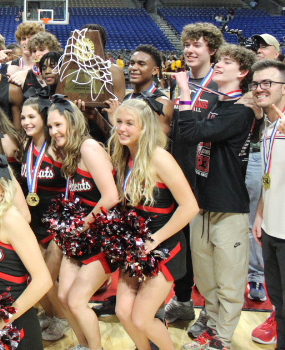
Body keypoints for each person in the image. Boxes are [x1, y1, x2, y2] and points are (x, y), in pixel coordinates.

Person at [175, 44, 256, 350]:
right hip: (203, 203)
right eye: (219, 60)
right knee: (206, 277)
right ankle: (211, 324)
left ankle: (222, 338)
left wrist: (184, 91)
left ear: (243, 72)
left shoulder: (241, 110)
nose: (219, 64)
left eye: (228, 62)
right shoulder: (219, 105)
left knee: (229, 280)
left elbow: (190, 133)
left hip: (228, 207)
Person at [110, 99, 198, 350]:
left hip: (164, 246)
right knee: (123, 312)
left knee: (142, 319)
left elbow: (190, 206)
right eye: (119, 122)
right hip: (136, 247)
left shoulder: (160, 158)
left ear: (145, 127)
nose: (122, 128)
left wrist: (155, 239)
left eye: (129, 123)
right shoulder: (123, 155)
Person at [165, 23, 224, 335]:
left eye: (197, 45)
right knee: (184, 245)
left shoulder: (220, 83)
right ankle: (183, 300)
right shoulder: (180, 81)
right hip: (181, 173)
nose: (189, 50)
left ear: (211, 49)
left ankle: (211, 314)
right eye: (187, 44)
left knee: (207, 251)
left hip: (209, 176)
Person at [48, 96, 120, 350]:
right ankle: (83, 345)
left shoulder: (89, 148)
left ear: (72, 122)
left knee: (77, 301)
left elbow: (111, 197)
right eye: (50, 127)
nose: (53, 131)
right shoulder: (71, 152)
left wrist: (82, 225)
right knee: (64, 296)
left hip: (102, 236)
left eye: (58, 125)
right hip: (81, 236)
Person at [0, 155, 53, 350]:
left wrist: (4, 319)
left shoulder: (11, 219)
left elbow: (43, 280)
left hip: (17, 326)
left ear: (3, 189)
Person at [18, 90, 71, 341]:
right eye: (23, 117)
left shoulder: (58, 148)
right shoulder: (26, 146)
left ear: (44, 118)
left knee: (47, 277)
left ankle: (63, 319)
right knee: (35, 276)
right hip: (34, 221)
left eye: (32, 117)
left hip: (56, 224)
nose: (26, 122)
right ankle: (50, 314)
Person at [251, 59, 285, 347]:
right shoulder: (270, 125)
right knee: (279, 303)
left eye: (267, 83)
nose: (259, 88)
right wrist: (260, 214)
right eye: (256, 83)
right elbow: (269, 176)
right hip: (272, 229)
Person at [106, 45, 173, 136]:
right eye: (132, 63)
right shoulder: (127, 98)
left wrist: (116, 124)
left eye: (141, 64)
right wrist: (96, 116)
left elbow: (158, 140)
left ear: (155, 70)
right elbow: (117, 138)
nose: (134, 67)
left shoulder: (162, 103)